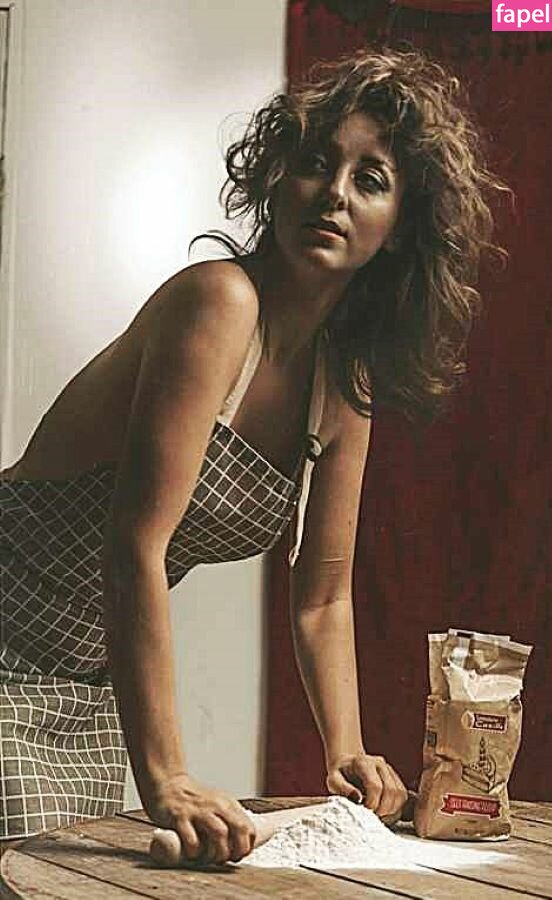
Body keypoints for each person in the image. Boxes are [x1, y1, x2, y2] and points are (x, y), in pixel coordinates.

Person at [0, 48, 503, 858]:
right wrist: (167, 776)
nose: (335, 193)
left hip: (86, 686)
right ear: (277, 179)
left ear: (398, 229)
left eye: (370, 179)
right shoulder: (219, 301)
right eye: (315, 163)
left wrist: (346, 752)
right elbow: (134, 546)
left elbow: (322, 595)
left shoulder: (341, 380)